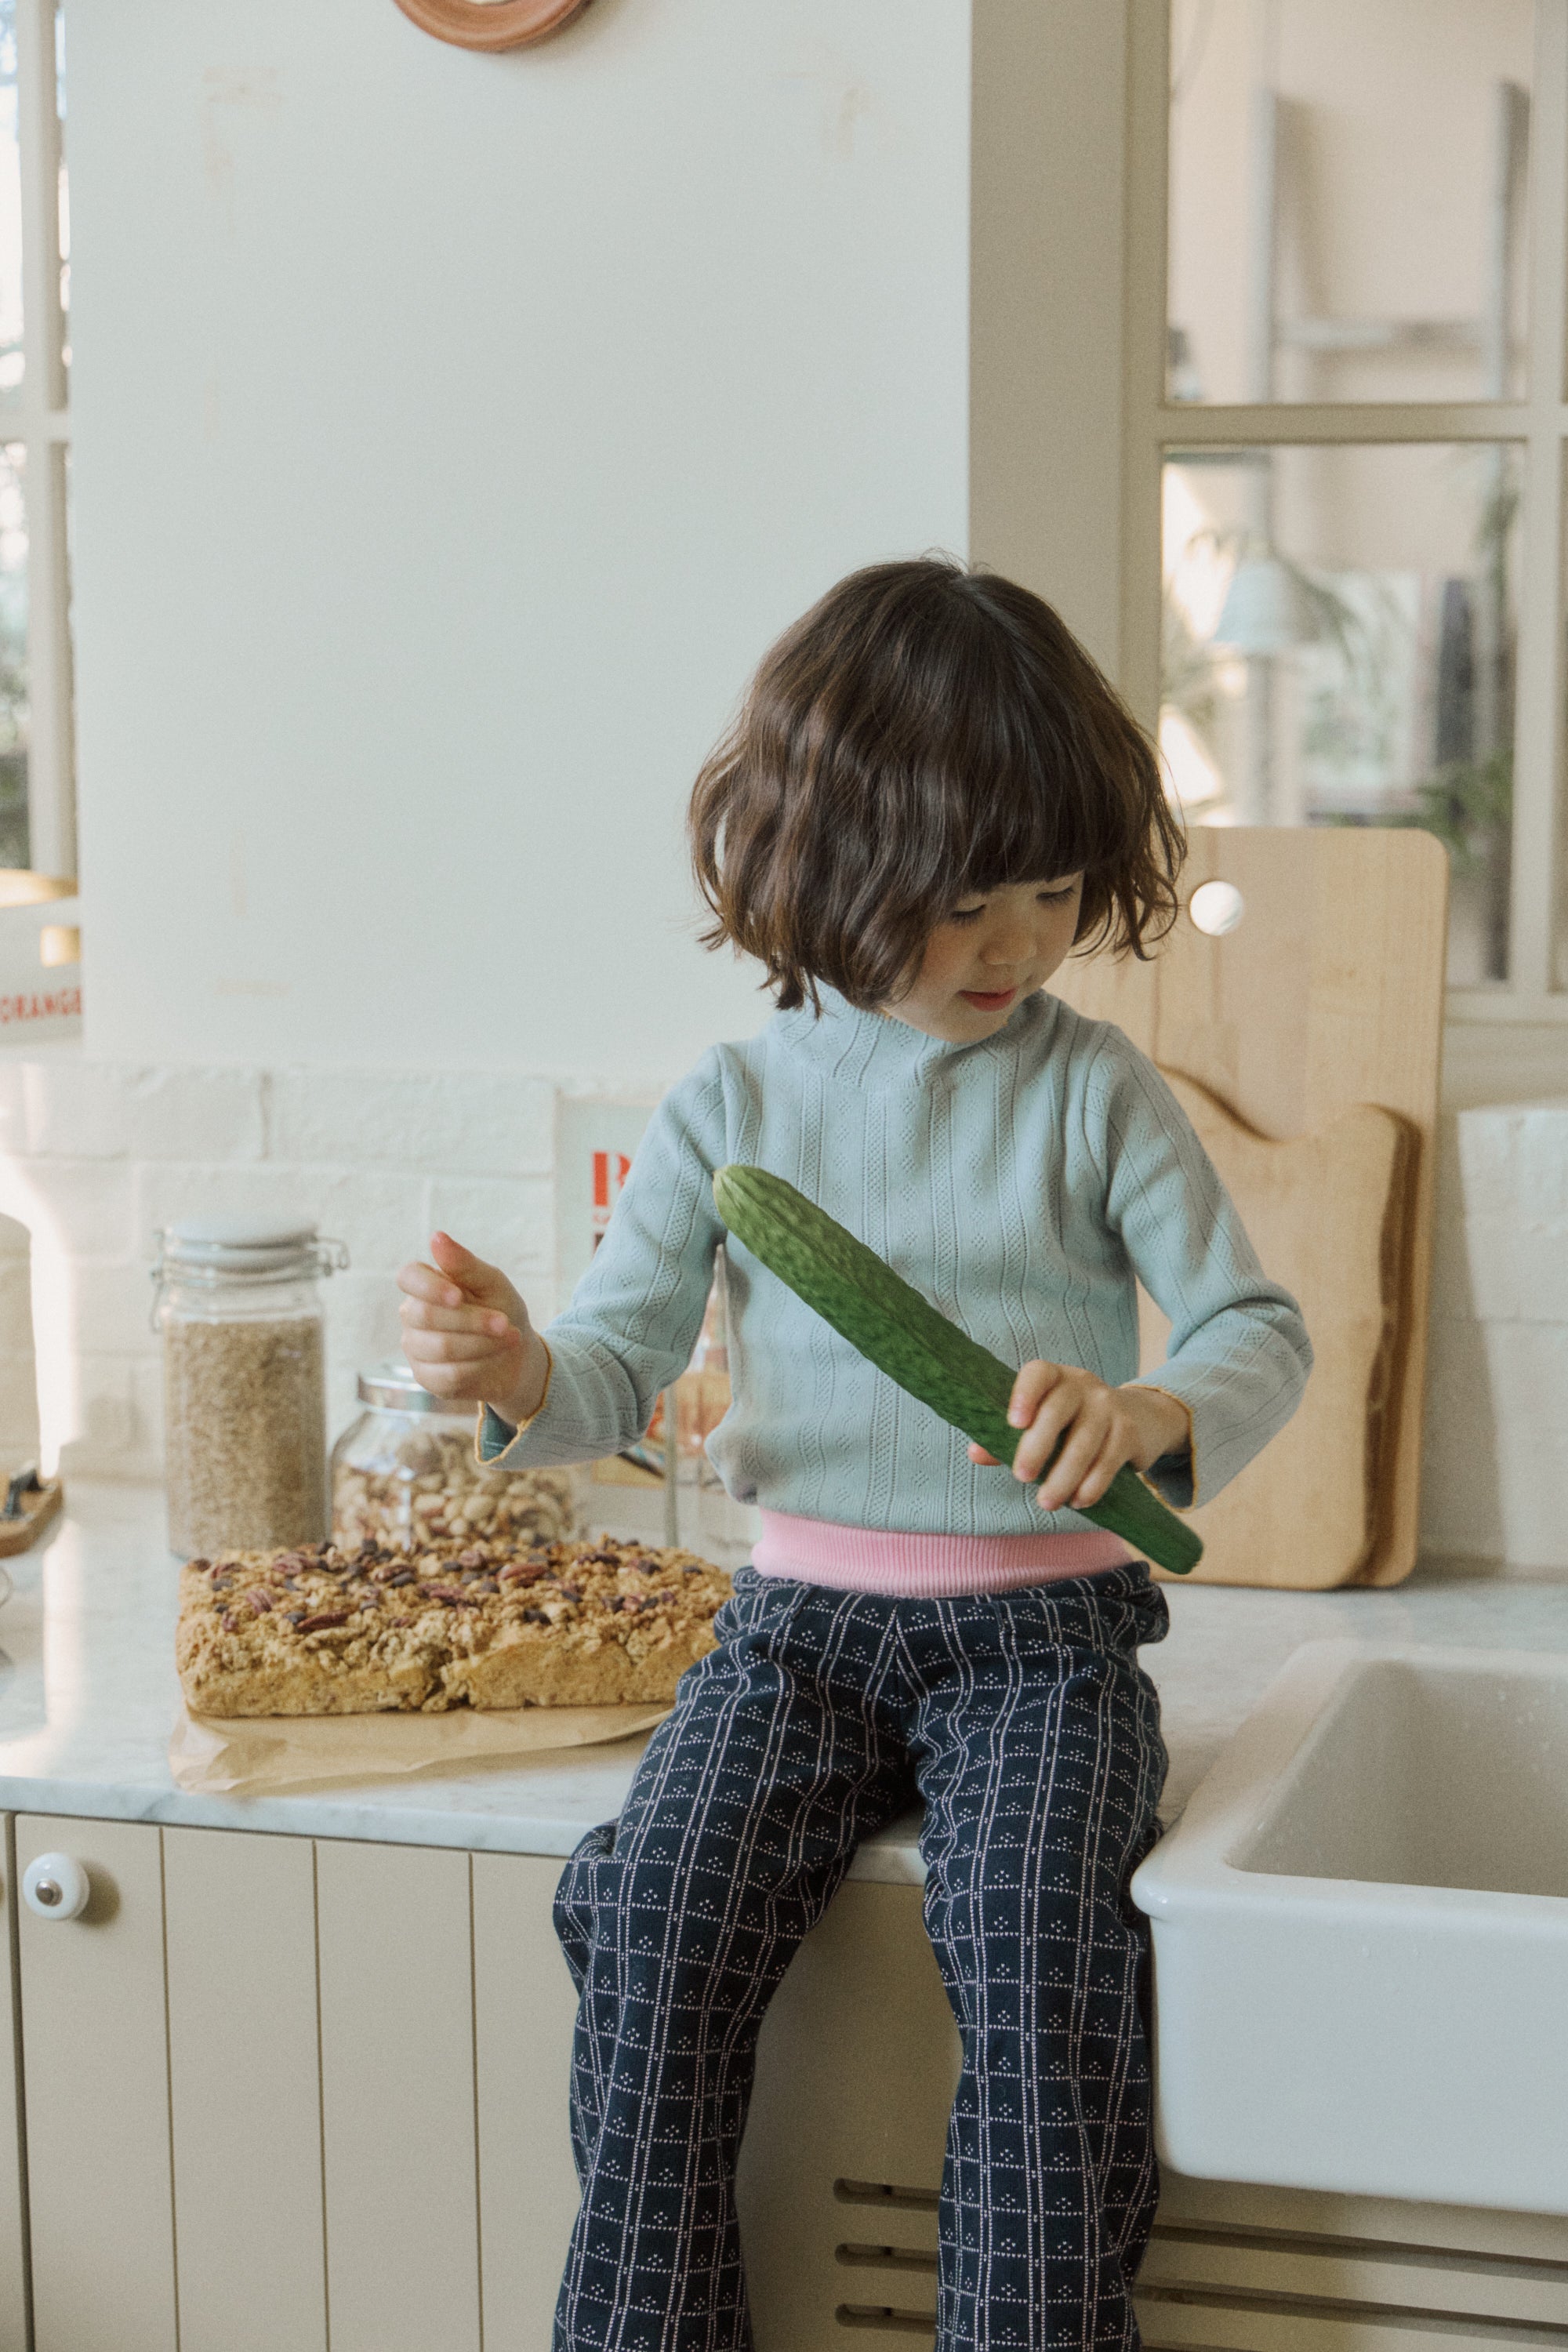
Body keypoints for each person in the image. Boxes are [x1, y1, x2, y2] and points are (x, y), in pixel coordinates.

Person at [397, 557, 1312, 2352]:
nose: (1016, 946)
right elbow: (611, 1372)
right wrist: (512, 1364)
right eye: (964, 902)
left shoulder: (1093, 1094)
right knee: (648, 1914)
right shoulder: (728, 1110)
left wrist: (1147, 1412)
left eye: (1050, 893)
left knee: (1040, 1971)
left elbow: (1251, 1333)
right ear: (819, 866)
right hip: (797, 1635)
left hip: (1043, 1651)